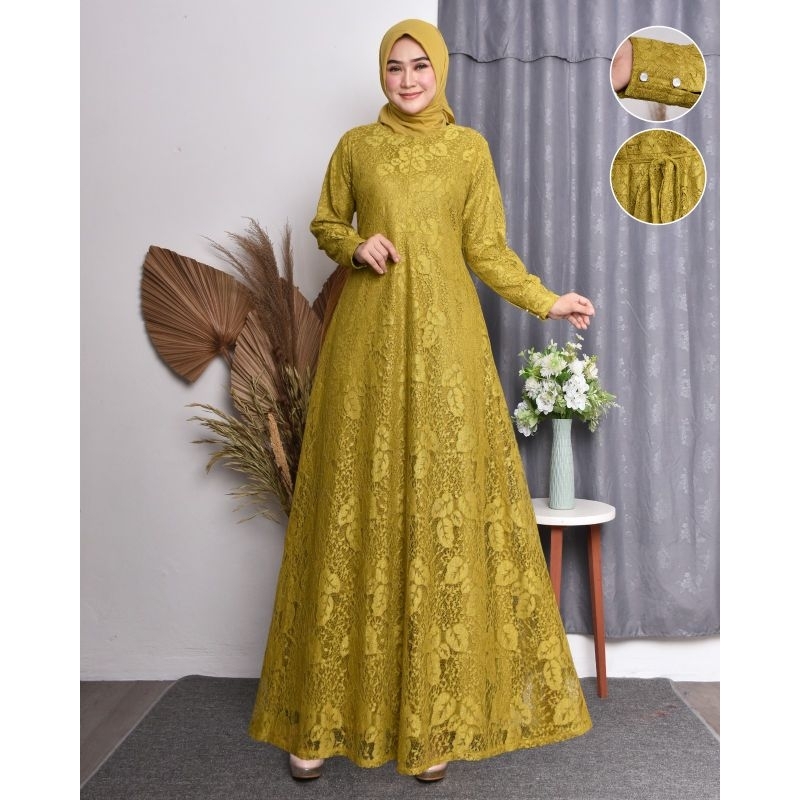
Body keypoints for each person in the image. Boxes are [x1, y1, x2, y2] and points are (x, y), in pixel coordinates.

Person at [248, 18, 595, 782]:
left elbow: (486, 249)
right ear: (384, 74)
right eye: (395, 68)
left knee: (438, 515)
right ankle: (320, 718)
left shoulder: (469, 150)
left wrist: (546, 300)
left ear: (439, 70)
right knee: (355, 512)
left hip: (446, 354)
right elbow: (326, 221)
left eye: (419, 66)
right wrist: (354, 245)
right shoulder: (356, 148)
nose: (407, 80)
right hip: (365, 352)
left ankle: (432, 722)